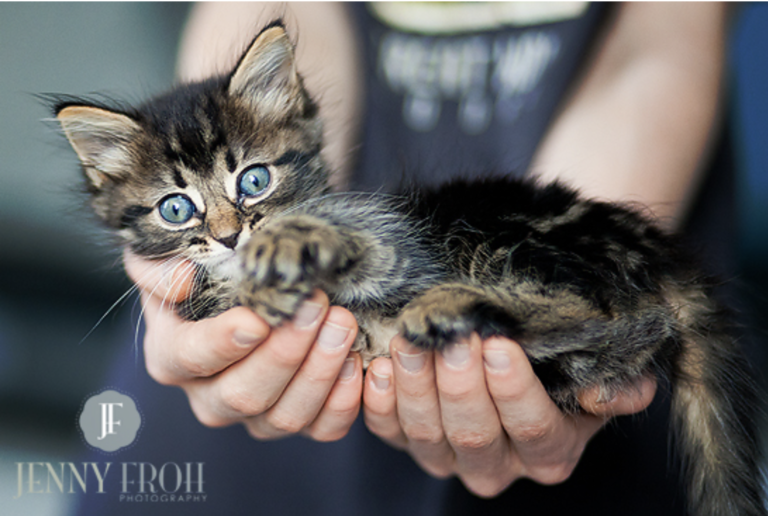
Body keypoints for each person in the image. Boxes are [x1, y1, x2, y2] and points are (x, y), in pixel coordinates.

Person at [78, 3, 728, 515]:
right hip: (226, 452)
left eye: (248, 184)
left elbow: (660, 42)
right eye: (180, 210)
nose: (224, 230)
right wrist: (173, 295)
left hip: (566, 199)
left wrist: (588, 273)